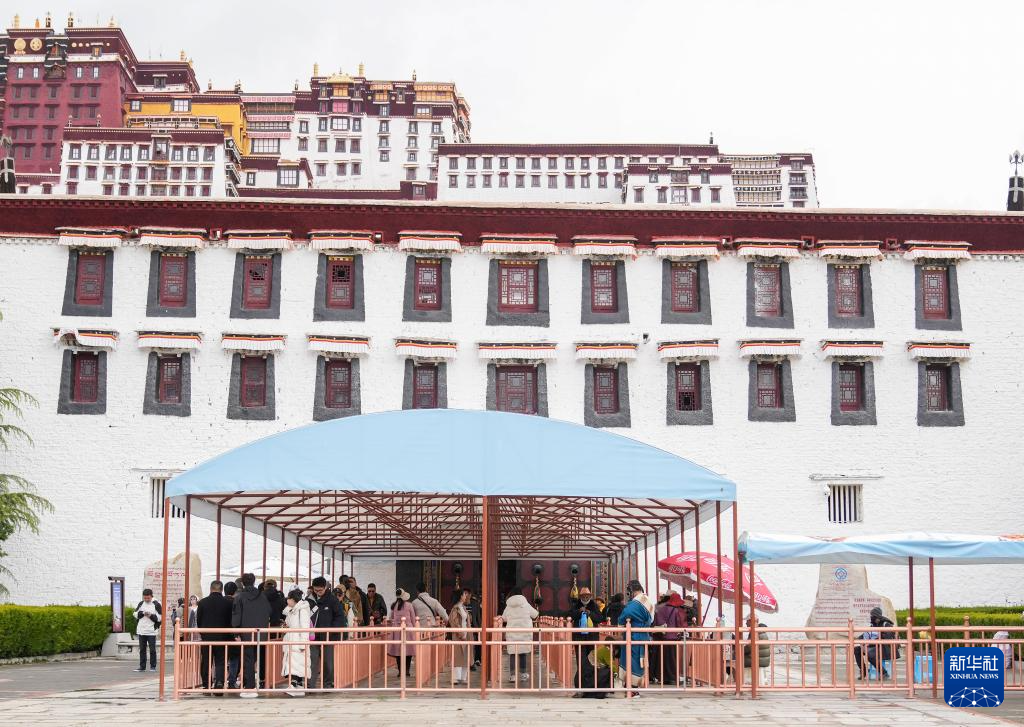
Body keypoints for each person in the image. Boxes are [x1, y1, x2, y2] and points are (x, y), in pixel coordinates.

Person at [231, 572, 272, 698]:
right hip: (261, 633)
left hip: (246, 633)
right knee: (256, 658)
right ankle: (259, 682)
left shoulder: (240, 597)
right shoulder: (262, 596)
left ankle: (249, 686)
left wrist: (236, 632)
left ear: (243, 583)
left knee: (247, 659)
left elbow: (236, 615)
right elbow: (269, 611)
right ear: (254, 582)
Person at [308, 576, 345, 691]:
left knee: (328, 662)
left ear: (325, 587)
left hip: (329, 636)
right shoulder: (309, 600)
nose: (318, 592)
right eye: (316, 590)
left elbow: (340, 617)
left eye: (320, 590)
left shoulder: (333, 600)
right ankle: (310, 686)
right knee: (311, 661)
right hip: (313, 636)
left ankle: (328, 684)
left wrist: (333, 630)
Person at [196, 580, 232, 694]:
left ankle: (206, 685)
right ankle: (219, 683)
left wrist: (203, 633)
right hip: (223, 637)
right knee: (221, 661)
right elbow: (230, 620)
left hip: (207, 637)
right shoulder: (227, 603)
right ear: (221, 590)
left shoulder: (202, 602)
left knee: (206, 661)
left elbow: (199, 620)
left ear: (211, 589)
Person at [617, 580, 654, 695]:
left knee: (631, 661)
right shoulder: (648, 601)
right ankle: (633, 687)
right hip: (644, 635)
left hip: (633, 635)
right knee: (640, 661)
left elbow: (623, 616)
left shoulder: (634, 604)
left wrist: (621, 624)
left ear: (632, 590)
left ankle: (631, 688)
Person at [569, 586, 604, 695]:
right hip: (579, 638)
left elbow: (600, 618)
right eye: (583, 596)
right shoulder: (576, 605)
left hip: (592, 638)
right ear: (580, 597)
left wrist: (590, 613)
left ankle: (591, 686)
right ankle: (580, 687)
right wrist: (579, 612)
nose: (585, 598)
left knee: (592, 662)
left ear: (590, 596)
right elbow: (570, 616)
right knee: (581, 662)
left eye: (587, 596)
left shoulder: (594, 605)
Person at [500, 585, 539, 682]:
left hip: (512, 633)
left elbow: (504, 618)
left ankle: (512, 675)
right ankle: (523, 674)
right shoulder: (525, 604)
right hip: (524, 632)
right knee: (523, 653)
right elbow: (535, 615)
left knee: (512, 653)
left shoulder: (508, 605)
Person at [650, 592, 687, 685]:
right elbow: (680, 624)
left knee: (662, 659)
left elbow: (655, 622)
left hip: (661, 637)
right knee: (672, 659)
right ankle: (672, 677)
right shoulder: (676, 610)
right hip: (672, 638)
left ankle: (662, 677)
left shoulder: (660, 609)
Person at [281, 588, 311, 696]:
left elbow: (305, 627)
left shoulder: (302, 611)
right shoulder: (292, 610)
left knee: (295, 664)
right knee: (296, 664)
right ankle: (298, 686)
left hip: (298, 641)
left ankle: (293, 685)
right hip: (293, 640)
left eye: (288, 598)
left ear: (293, 600)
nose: (287, 600)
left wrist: (303, 643)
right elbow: (290, 623)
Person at [853, 607, 897, 679]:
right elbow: (867, 634)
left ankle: (884, 673)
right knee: (857, 650)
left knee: (869, 653)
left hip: (886, 648)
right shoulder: (873, 625)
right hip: (875, 646)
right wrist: (860, 639)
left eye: (872, 615)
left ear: (877, 616)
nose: (871, 617)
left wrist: (871, 642)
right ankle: (864, 671)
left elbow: (887, 637)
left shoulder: (886, 624)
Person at [388, 589, 418, 676]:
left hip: (397, 630)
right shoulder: (409, 605)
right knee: (408, 650)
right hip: (408, 629)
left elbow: (391, 617)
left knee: (398, 652)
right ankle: (407, 670)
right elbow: (413, 618)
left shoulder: (394, 606)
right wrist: (415, 628)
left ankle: (400, 671)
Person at [133, 588, 162, 672]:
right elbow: (135, 614)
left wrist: (150, 615)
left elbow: (160, 617)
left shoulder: (156, 604)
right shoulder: (141, 603)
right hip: (141, 630)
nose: (146, 599)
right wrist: (142, 613)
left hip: (151, 631)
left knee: (152, 650)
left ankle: (153, 666)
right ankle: (142, 667)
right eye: (145, 598)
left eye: (148, 598)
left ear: (151, 596)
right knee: (142, 649)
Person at [449, 588, 473, 685]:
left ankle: (463, 677)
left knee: (466, 656)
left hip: (466, 633)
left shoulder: (463, 607)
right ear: (460, 596)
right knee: (458, 656)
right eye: (463, 594)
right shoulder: (455, 608)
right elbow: (454, 622)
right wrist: (460, 632)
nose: (465, 596)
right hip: (459, 634)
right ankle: (456, 677)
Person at [223, 581, 241, 689]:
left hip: (221, 636)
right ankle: (232, 681)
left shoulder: (220, 602)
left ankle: (219, 680)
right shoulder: (237, 602)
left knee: (221, 659)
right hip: (234, 635)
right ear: (235, 591)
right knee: (234, 659)